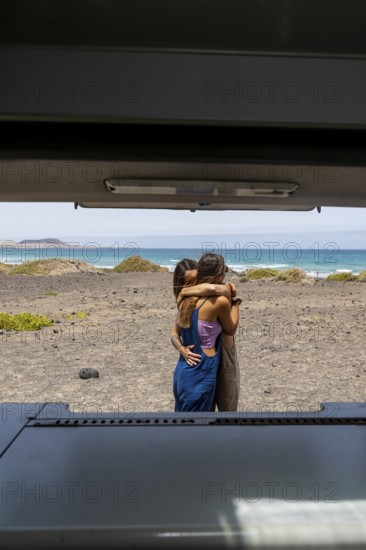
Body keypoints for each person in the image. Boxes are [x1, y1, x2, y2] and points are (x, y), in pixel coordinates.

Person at [172, 253, 240, 412]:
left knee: (186, 418)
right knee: (215, 415)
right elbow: (231, 329)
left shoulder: (185, 300)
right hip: (205, 365)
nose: (190, 285)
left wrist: (185, 292)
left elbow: (174, 332)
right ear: (219, 274)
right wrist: (236, 302)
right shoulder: (220, 299)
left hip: (185, 370)